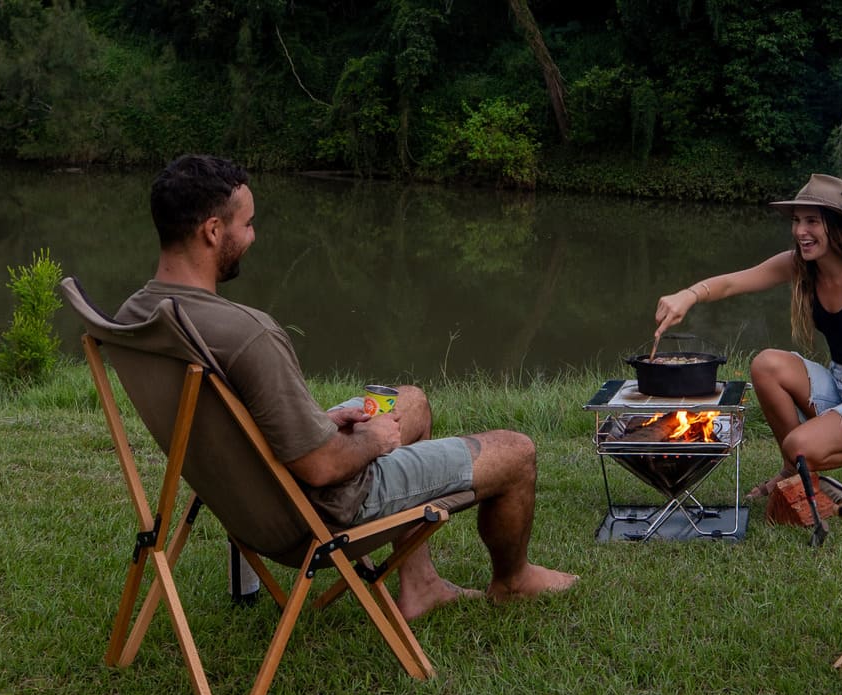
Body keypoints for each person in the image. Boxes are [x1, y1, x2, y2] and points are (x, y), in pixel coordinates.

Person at [117, 154, 577, 620]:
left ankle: (421, 585)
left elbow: (247, 426)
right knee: (516, 452)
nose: (253, 236)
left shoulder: (135, 317)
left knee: (410, 400)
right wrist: (373, 441)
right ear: (213, 231)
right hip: (318, 510)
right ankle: (513, 581)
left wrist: (325, 422)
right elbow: (320, 465)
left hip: (245, 498)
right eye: (248, 224)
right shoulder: (247, 334)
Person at [653, 173, 842, 499]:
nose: (799, 231)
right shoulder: (802, 266)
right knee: (766, 364)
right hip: (839, 382)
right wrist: (688, 295)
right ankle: (795, 470)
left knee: (799, 446)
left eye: (811, 222)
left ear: (837, 226)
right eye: (796, 221)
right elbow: (736, 282)